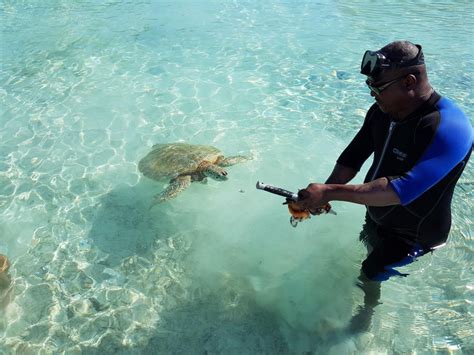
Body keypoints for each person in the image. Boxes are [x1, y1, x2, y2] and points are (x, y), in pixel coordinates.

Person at [290, 40, 473, 333]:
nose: (372, 95)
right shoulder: (381, 112)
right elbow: (352, 159)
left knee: (370, 272)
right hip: (377, 214)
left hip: (415, 236)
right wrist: (320, 195)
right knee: (368, 246)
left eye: (377, 89)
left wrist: (331, 193)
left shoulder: (449, 128)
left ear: (409, 81)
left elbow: (400, 191)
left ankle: (366, 317)